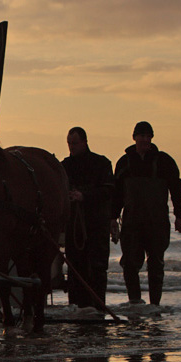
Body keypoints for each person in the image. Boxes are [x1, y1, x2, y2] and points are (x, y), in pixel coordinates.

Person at [110, 121, 181, 305]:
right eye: (141, 136)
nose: (144, 139)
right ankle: (135, 303)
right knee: (129, 264)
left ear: (152, 138)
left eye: (148, 136)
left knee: (156, 265)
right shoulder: (124, 162)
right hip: (131, 223)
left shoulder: (164, 161)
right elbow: (117, 194)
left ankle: (154, 305)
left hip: (157, 222)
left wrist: (180, 216)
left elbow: (177, 190)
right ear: (134, 137)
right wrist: (112, 218)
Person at [61, 127, 114, 310]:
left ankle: (98, 308)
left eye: (74, 143)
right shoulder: (64, 166)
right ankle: (76, 308)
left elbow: (108, 191)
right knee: (75, 270)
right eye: (69, 143)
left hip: (96, 226)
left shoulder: (101, 163)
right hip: (74, 227)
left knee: (97, 269)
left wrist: (84, 196)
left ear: (84, 142)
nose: (71, 147)